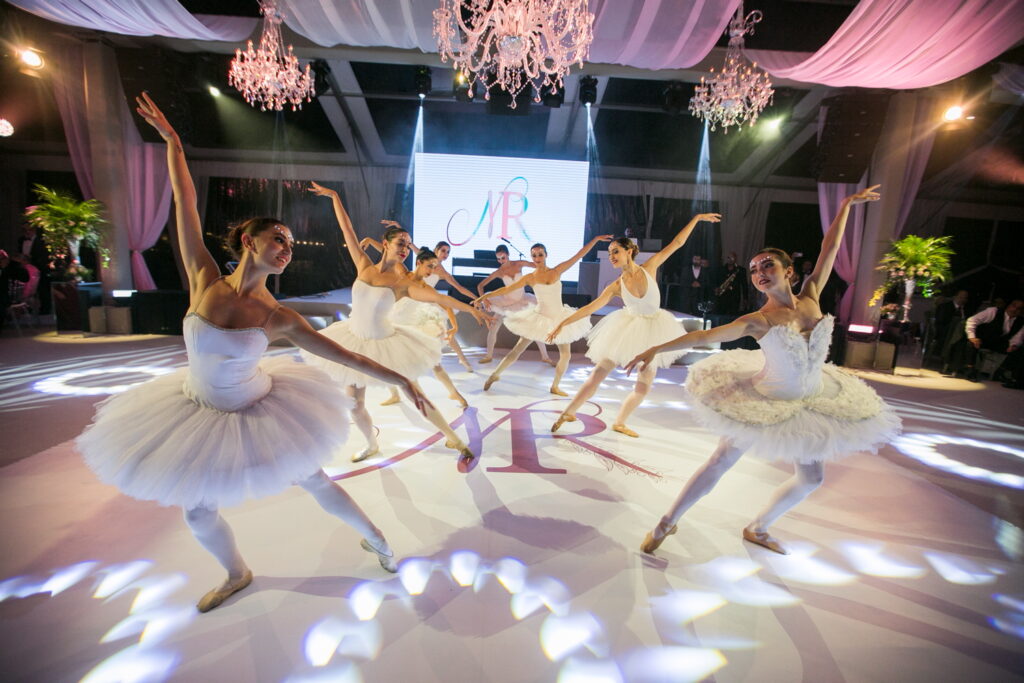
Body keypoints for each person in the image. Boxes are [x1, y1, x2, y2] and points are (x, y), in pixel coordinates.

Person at [78, 94, 428, 613]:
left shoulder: (280, 317)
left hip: (257, 408)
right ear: (248, 239)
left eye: (289, 244)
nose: (286, 248)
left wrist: (403, 381)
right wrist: (174, 144)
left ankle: (378, 539)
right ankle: (237, 572)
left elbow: (346, 356)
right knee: (197, 513)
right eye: (278, 238)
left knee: (312, 480)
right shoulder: (202, 276)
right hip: (193, 409)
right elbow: (185, 205)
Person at [627, 185, 900, 556]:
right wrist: (655, 347)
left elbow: (830, 248)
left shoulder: (812, 295)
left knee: (812, 478)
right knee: (721, 460)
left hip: (811, 404)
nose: (759, 273)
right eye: (754, 269)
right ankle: (666, 522)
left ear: (789, 271)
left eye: (767, 265)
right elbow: (705, 335)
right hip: (765, 400)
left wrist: (848, 205)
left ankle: (758, 526)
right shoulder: (758, 320)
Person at [303, 182, 480, 464]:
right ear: (385, 244)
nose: (406, 250)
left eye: (408, 246)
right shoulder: (363, 264)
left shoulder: (402, 283)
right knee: (354, 403)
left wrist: (470, 309)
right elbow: (346, 229)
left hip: (385, 343)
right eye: (401, 244)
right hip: (353, 339)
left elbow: (437, 298)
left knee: (414, 393)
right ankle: (371, 443)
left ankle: (454, 439)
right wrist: (335, 196)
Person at [548, 214, 720, 437]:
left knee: (644, 384)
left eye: (616, 251)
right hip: (626, 330)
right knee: (599, 372)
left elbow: (677, 243)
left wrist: (697, 218)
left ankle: (620, 421)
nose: (612, 256)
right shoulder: (615, 286)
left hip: (654, 330)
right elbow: (589, 308)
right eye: (610, 253)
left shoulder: (650, 267)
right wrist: (563, 322)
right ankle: (569, 412)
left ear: (629, 251)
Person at [475, 235, 613, 396]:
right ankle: (494, 375)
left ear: (546, 255)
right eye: (534, 255)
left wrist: (595, 240)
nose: (537, 258)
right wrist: (484, 296)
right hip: (539, 318)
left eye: (540, 254)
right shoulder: (530, 277)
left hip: (560, 317)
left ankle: (555, 386)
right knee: (518, 349)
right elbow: (506, 290)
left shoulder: (557, 270)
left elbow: (579, 255)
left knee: (565, 354)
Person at [379, 246, 490, 407]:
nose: (432, 270)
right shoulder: (403, 274)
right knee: (388, 360)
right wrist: (384, 242)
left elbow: (445, 302)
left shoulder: (426, 287)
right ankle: (395, 394)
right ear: (419, 262)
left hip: (412, 324)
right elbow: (389, 254)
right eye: (430, 266)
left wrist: (461, 318)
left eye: (434, 266)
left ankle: (453, 392)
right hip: (393, 320)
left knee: (434, 362)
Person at [361, 232, 478, 372]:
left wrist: (477, 299)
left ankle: (462, 359)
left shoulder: (444, 273)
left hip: (427, 300)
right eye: (443, 250)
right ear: (436, 250)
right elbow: (390, 252)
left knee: (444, 330)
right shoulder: (423, 257)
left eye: (448, 252)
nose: (445, 254)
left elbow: (460, 288)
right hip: (410, 296)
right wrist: (370, 239)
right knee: (395, 327)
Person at [475, 244, 555, 366]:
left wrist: (543, 265)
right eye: (498, 259)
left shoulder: (518, 264)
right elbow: (480, 285)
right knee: (493, 327)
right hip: (505, 302)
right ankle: (488, 355)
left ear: (508, 255)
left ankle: (545, 356)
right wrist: (485, 300)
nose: (501, 261)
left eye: (503, 257)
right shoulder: (499, 272)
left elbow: (537, 265)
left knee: (534, 327)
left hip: (522, 300)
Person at [963, 298, 1023, 386]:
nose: (1015, 310)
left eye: (1019, 309)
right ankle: (969, 369)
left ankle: (1002, 372)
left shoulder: (1021, 322)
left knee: (1019, 350)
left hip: (999, 343)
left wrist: (1013, 345)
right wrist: (972, 337)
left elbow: (1018, 336)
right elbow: (972, 320)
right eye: (1014, 306)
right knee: (971, 343)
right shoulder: (993, 311)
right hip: (984, 339)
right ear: (1009, 306)